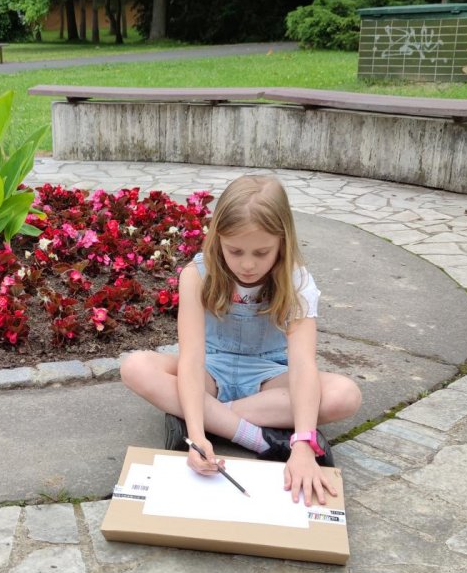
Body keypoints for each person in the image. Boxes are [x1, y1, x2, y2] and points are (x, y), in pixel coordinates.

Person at [121, 175, 362, 506]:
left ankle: (211, 416)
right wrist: (198, 437)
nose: (248, 264)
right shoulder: (197, 274)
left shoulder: (297, 281)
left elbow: (303, 365)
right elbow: (191, 359)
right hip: (211, 369)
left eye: (262, 252)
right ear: (218, 238)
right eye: (235, 251)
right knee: (136, 367)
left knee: (344, 395)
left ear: (282, 242)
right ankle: (257, 438)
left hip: (269, 375)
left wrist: (304, 445)